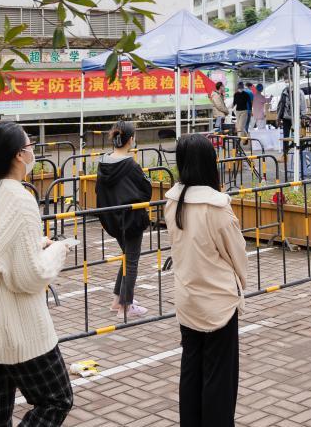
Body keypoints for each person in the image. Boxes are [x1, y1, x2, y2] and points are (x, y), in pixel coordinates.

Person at [0, 122, 74, 427]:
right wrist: (58, 250)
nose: (33, 151)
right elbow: (28, 276)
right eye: (30, 145)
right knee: (57, 399)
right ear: (19, 155)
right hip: (18, 329)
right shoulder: (19, 199)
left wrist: (34, 245)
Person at [165, 135, 247, 427]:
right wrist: (240, 283)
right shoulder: (216, 207)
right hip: (217, 302)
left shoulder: (173, 202)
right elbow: (237, 253)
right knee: (219, 376)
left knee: (191, 367)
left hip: (187, 298)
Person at [95, 120, 152, 318]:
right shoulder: (131, 165)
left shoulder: (103, 162)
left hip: (112, 220)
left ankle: (117, 301)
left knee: (127, 257)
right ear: (130, 140)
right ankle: (126, 307)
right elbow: (146, 191)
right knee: (132, 261)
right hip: (132, 220)